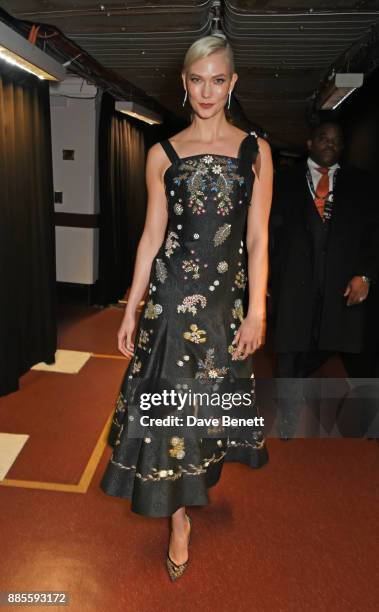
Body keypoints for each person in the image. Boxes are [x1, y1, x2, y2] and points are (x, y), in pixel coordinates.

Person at [100, 34, 273, 580]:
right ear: (183, 82)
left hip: (224, 313)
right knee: (167, 413)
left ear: (233, 83)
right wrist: (132, 307)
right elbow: (152, 238)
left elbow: (258, 240)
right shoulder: (163, 154)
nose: (206, 90)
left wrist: (257, 310)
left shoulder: (256, 152)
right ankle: (177, 519)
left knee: (205, 414)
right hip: (172, 307)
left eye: (217, 79)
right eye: (197, 79)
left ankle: (191, 491)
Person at [269, 120, 379, 437]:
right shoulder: (283, 182)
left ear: (342, 147)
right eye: (323, 138)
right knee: (289, 347)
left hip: (341, 284)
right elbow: (266, 234)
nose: (329, 144)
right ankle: (289, 415)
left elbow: (374, 234)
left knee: (335, 343)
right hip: (293, 282)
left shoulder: (362, 185)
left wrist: (366, 275)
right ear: (309, 143)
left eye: (336, 140)